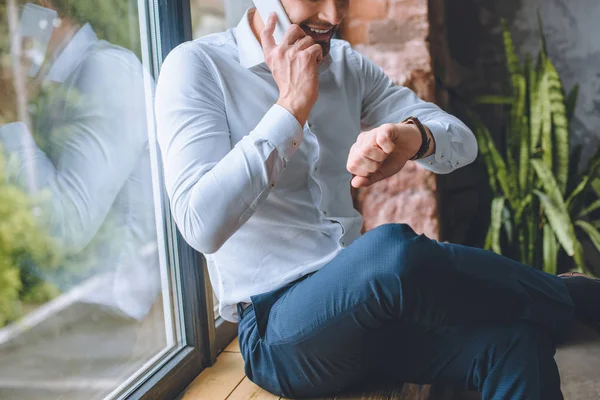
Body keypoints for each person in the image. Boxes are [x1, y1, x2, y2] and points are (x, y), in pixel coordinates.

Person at [155, 1, 600, 398]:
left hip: (368, 309)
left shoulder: (347, 65)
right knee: (390, 254)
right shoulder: (198, 66)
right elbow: (200, 225)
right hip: (280, 332)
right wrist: (290, 109)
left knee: (515, 342)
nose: (334, 15)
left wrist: (413, 137)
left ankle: (565, 298)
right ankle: (570, 296)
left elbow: (462, 142)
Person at [0, 1, 160, 320]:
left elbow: (66, 228)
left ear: (40, 9)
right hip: (61, 307)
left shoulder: (106, 71)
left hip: (104, 316)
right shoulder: (51, 85)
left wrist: (10, 120)